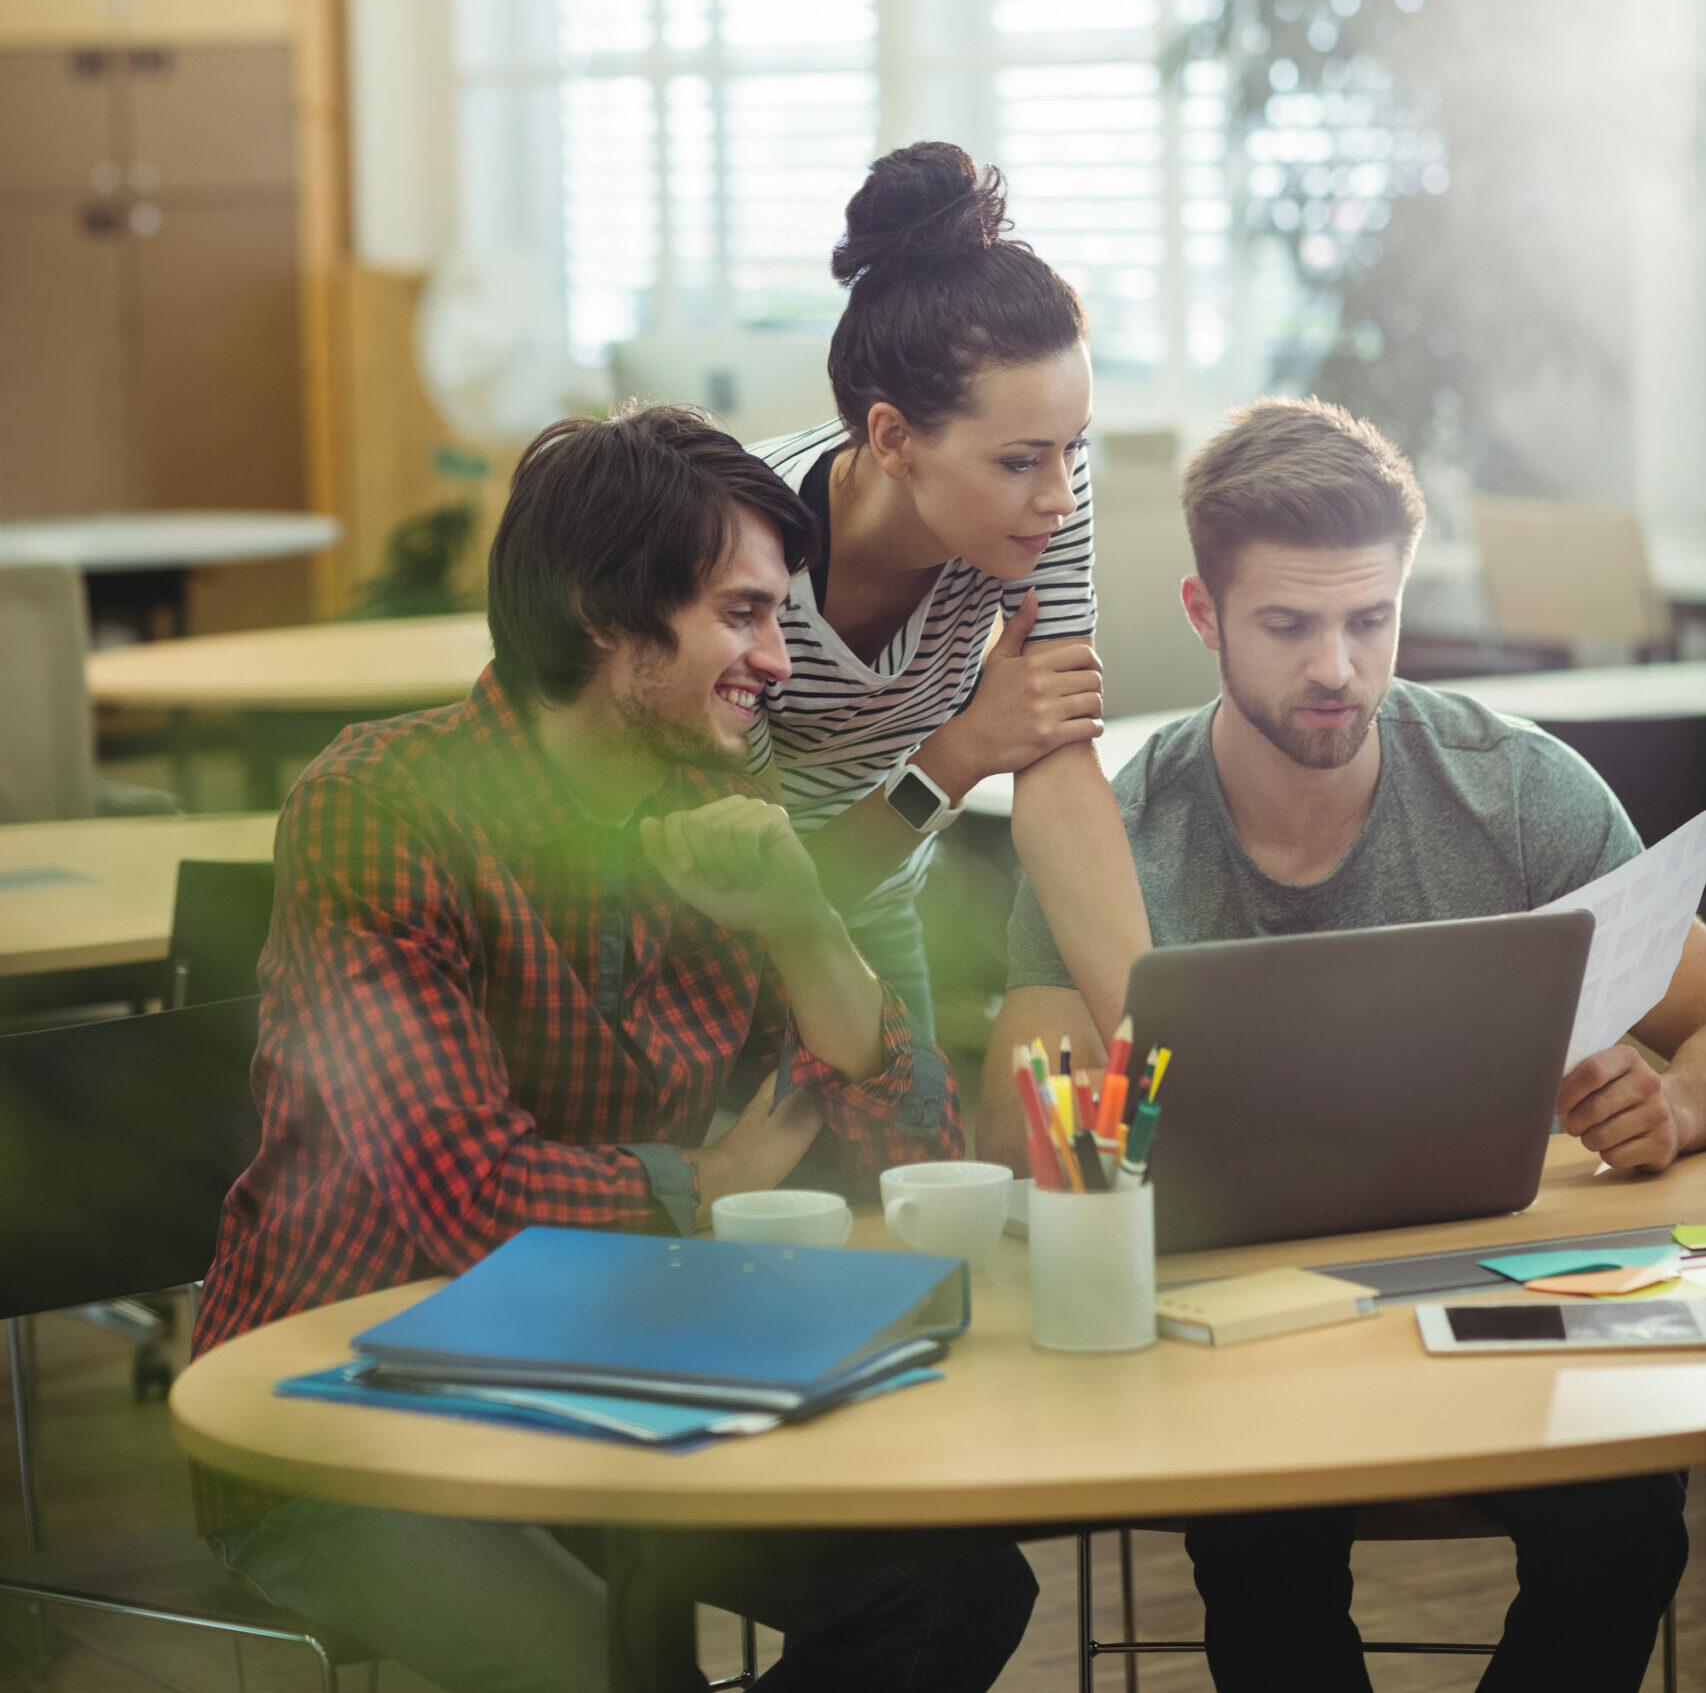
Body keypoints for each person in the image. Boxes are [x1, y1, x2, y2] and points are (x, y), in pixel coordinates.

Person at [192, 405, 1037, 1693]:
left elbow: (909, 1159)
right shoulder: (378, 808)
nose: (778, 662)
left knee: (958, 1589)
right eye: (741, 615)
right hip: (350, 1411)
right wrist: (701, 1188)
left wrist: (806, 923)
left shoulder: (715, 812)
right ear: (602, 612)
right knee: (624, 1672)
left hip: (629, 1383)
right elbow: (460, 1194)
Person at [981, 395, 1706, 1691]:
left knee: (1626, 1525)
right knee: (1258, 1554)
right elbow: (1017, 1126)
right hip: (1239, 1332)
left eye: (1367, 621)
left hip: (1489, 1302)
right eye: (1287, 625)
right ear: (1203, 617)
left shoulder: (1513, 789)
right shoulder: (1118, 838)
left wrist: (1683, 1103)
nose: (1335, 667)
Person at [745, 141, 1146, 1043]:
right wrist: (962, 750)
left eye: (1074, 446)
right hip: (719, 949)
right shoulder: (741, 551)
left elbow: (1055, 757)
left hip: (885, 913)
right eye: (1019, 459)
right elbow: (771, 895)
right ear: (892, 439)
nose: (1059, 492)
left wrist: (1148, 1037)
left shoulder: (1037, 506)